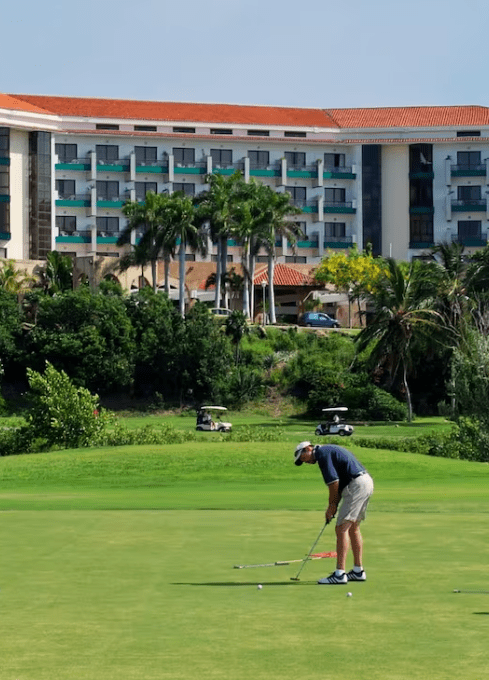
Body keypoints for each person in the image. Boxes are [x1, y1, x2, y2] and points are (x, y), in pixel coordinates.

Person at [294, 441, 374, 585]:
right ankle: (358, 571)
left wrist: (332, 505)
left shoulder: (322, 454)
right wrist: (334, 505)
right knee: (353, 527)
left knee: (341, 528)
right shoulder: (326, 451)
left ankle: (339, 574)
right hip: (365, 482)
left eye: (304, 458)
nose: (306, 462)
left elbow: (333, 482)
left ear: (308, 449)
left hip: (356, 485)